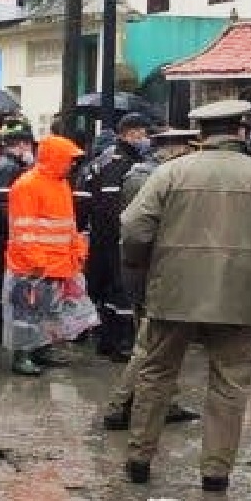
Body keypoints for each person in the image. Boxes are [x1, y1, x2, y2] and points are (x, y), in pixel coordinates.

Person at [120, 100, 251, 491]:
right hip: (241, 294)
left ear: (201, 134)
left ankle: (140, 459)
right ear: (241, 131)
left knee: (157, 373)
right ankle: (215, 472)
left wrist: (143, 267)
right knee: (230, 382)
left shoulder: (169, 173)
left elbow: (135, 227)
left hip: (174, 290)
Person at [102, 128, 202, 431]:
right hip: (153, 269)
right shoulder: (149, 179)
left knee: (159, 342)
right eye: (189, 149)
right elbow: (141, 230)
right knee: (151, 342)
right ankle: (120, 406)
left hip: (152, 267)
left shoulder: (149, 174)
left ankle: (160, 401)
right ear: (175, 150)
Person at [3, 134, 97, 376]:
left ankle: (40, 350)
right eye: (69, 159)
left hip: (58, 263)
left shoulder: (60, 184)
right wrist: (37, 261)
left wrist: (77, 251)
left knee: (48, 313)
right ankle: (22, 355)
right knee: (27, 314)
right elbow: (23, 229)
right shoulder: (27, 185)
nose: (73, 164)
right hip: (33, 267)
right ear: (55, 158)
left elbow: (68, 223)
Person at [78, 112, 151, 363]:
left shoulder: (102, 159)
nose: (145, 139)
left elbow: (84, 200)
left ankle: (107, 340)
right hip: (114, 237)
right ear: (130, 134)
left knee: (107, 290)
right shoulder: (121, 162)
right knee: (121, 292)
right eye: (142, 134)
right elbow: (112, 204)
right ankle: (122, 344)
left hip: (100, 236)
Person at [0, 117, 36, 344]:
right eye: (29, 146)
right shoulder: (9, 168)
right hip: (0, 239)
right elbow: (4, 206)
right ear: (21, 145)